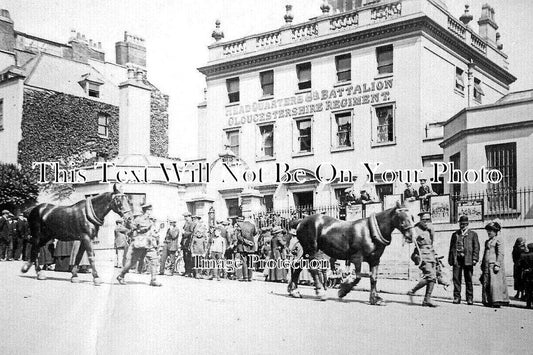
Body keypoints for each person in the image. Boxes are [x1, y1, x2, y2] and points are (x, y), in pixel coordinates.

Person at [117, 203, 162, 287]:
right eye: (149, 210)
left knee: (154, 259)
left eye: (150, 210)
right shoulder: (139, 219)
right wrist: (139, 230)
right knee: (132, 262)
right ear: (145, 211)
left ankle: (153, 280)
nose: (150, 212)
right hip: (140, 243)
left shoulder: (150, 220)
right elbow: (132, 228)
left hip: (148, 243)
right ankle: (121, 275)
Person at [407, 212, 438, 307]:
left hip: (431, 255)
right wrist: (413, 237)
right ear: (420, 220)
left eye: (428, 220)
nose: (426, 222)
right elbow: (408, 239)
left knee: (432, 278)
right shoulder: (416, 229)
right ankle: (413, 290)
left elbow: (431, 243)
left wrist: (435, 255)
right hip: (422, 255)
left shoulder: (431, 229)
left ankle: (426, 300)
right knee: (431, 276)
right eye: (424, 220)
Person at [448, 215, 479, 305]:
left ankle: (469, 298)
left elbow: (476, 247)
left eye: (465, 224)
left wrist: (475, 258)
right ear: (459, 224)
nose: (463, 225)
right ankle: (457, 297)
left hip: (468, 260)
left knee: (468, 279)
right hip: (457, 259)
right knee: (456, 279)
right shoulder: (455, 235)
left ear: (468, 224)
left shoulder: (473, 234)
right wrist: (450, 259)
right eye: (461, 224)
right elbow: (451, 248)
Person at [480, 222, 509, 308]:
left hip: (493, 265)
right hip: (486, 264)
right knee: (487, 283)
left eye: (491, 230)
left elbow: (500, 253)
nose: (489, 232)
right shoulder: (487, 241)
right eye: (488, 230)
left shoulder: (498, 239)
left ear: (496, 231)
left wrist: (497, 264)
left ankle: (496, 301)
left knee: (495, 284)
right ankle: (488, 300)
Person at [235, 216, 257, 282]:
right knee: (250, 261)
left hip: (243, 245)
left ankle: (245, 277)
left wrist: (245, 241)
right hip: (251, 245)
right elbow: (255, 233)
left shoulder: (240, 225)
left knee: (244, 261)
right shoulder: (252, 225)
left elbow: (238, 236)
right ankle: (250, 277)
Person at [180, 212, 195, 277]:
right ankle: (186, 271)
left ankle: (189, 272)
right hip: (184, 243)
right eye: (184, 217)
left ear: (189, 217)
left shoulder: (192, 223)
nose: (185, 218)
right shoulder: (186, 223)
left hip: (188, 243)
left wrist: (184, 233)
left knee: (188, 258)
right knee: (185, 258)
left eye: (186, 217)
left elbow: (192, 232)